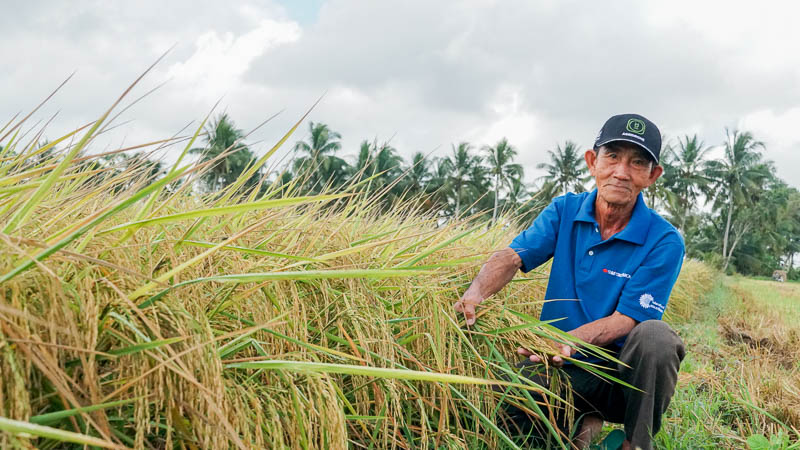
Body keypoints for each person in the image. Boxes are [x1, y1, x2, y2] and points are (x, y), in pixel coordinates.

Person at [454, 113, 686, 450]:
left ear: (653, 176)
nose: (621, 172)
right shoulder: (565, 210)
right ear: (593, 162)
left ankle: (635, 443)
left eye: (637, 162)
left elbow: (627, 319)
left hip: (622, 384)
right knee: (510, 404)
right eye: (612, 157)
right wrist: (475, 294)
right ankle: (580, 424)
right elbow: (513, 256)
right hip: (560, 367)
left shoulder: (663, 239)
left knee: (657, 337)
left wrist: (561, 341)